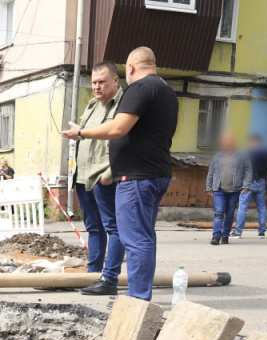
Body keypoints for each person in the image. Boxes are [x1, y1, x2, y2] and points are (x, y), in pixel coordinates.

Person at [62, 47, 179, 302]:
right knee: (143, 238)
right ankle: (138, 295)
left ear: (130, 68)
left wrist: (81, 133)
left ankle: (136, 299)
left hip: (137, 178)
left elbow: (118, 128)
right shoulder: (166, 91)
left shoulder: (140, 88)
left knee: (135, 239)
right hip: (153, 173)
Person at [73, 61, 124, 297]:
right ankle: (93, 274)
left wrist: (109, 175)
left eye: (101, 81)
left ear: (115, 80)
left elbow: (125, 142)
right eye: (94, 82)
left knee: (113, 228)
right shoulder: (93, 105)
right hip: (83, 176)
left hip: (103, 177)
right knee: (93, 228)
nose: (96, 86)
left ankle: (109, 277)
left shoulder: (122, 105)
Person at [206, 131, 252, 245]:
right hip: (219, 189)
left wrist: (246, 186)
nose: (225, 143)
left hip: (235, 190)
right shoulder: (217, 156)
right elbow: (211, 172)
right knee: (219, 212)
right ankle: (216, 236)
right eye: (224, 141)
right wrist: (209, 187)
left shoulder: (242, 155)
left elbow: (248, 170)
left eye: (228, 140)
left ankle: (225, 235)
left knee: (230, 213)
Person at [233, 135, 267, 239]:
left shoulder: (246, 152)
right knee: (261, 207)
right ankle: (261, 232)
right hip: (261, 182)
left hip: (248, 183)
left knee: (243, 207)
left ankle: (238, 232)